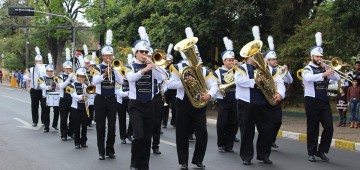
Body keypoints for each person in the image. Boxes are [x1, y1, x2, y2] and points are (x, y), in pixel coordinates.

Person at [168, 27, 218, 170]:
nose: (194, 57)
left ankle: (198, 160)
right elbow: (170, 85)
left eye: (196, 54)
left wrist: (209, 95)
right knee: (182, 133)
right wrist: (184, 82)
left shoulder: (204, 70)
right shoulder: (178, 67)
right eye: (191, 54)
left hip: (200, 104)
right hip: (183, 103)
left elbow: (213, 85)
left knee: (202, 133)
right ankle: (183, 161)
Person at [235, 26, 285, 165]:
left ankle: (263, 155)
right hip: (247, 103)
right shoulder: (241, 68)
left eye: (260, 54)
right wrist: (256, 82)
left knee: (267, 130)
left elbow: (279, 81)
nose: (259, 57)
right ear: (249, 57)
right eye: (255, 55)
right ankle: (246, 156)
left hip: (265, 103)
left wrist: (280, 94)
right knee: (247, 131)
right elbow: (238, 80)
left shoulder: (269, 69)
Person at [126, 27, 167, 170]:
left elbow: (163, 78)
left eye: (146, 52)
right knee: (138, 136)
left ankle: (144, 165)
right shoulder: (130, 66)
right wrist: (143, 70)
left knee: (147, 138)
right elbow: (130, 78)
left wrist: (153, 65)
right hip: (135, 105)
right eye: (141, 52)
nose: (144, 54)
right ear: (136, 53)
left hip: (149, 105)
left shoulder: (151, 67)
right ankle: (134, 162)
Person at [303, 32, 340, 162]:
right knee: (312, 128)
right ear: (312, 56)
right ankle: (311, 152)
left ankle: (321, 151)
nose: (320, 59)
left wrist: (329, 68)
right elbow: (308, 78)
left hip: (324, 101)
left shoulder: (324, 67)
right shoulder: (307, 68)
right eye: (317, 56)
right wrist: (324, 74)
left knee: (329, 127)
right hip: (311, 100)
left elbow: (337, 77)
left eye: (321, 56)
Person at [92, 30, 124, 160]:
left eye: (110, 55)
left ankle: (110, 149)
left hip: (111, 99)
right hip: (100, 99)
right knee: (100, 127)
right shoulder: (97, 68)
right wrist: (104, 74)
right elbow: (94, 82)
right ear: (102, 56)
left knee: (111, 127)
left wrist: (115, 71)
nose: (109, 58)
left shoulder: (116, 67)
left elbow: (121, 81)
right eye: (106, 56)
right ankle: (101, 151)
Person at [264, 36, 293, 148]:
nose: (275, 61)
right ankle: (266, 140)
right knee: (266, 123)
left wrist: (286, 71)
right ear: (267, 60)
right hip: (265, 98)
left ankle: (272, 139)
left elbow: (290, 81)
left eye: (276, 59)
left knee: (277, 121)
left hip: (276, 98)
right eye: (272, 60)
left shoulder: (279, 70)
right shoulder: (263, 70)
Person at [213, 37, 238, 153]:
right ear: (224, 61)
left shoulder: (237, 71)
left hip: (235, 99)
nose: (232, 62)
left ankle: (230, 145)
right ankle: (221, 144)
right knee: (222, 123)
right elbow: (214, 85)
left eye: (233, 60)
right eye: (229, 60)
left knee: (233, 123)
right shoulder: (217, 72)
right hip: (222, 99)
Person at [69, 63, 90, 149]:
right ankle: (77, 142)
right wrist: (81, 96)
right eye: (80, 76)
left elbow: (89, 94)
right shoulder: (72, 85)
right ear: (77, 76)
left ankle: (83, 141)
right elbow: (73, 95)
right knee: (77, 125)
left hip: (85, 107)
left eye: (83, 77)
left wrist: (86, 92)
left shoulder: (86, 85)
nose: (81, 78)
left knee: (84, 125)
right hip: (76, 108)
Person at [23, 46, 45, 127]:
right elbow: (24, 76)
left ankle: (43, 121)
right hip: (34, 90)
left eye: (40, 61)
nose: (39, 62)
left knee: (44, 106)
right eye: (37, 61)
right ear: (35, 62)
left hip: (43, 90)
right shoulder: (30, 69)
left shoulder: (45, 69)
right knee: (34, 106)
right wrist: (28, 78)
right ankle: (35, 121)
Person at [39, 53, 59, 132]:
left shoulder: (56, 78)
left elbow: (59, 85)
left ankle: (55, 124)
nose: (50, 73)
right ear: (46, 71)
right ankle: (46, 126)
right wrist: (48, 87)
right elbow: (41, 86)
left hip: (55, 96)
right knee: (46, 112)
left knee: (57, 111)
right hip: (45, 97)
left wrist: (58, 86)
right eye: (49, 71)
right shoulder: (42, 78)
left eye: (51, 71)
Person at [116, 54, 134, 144]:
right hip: (121, 102)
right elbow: (118, 92)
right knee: (122, 120)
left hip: (131, 101)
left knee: (133, 118)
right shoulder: (119, 80)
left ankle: (129, 134)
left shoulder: (132, 79)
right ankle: (123, 137)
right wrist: (127, 93)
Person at [58, 48, 75, 141]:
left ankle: (71, 132)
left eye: (69, 68)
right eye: (66, 68)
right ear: (63, 68)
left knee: (73, 117)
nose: (68, 70)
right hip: (64, 99)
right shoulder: (60, 76)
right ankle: (63, 134)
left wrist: (74, 79)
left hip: (72, 99)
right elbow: (61, 86)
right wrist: (68, 79)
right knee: (64, 118)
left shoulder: (74, 76)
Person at [162, 43, 177, 128]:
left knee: (175, 107)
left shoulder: (175, 68)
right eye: (167, 61)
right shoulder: (163, 68)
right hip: (166, 88)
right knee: (165, 106)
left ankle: (174, 122)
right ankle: (164, 122)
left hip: (174, 89)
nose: (168, 62)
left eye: (170, 61)